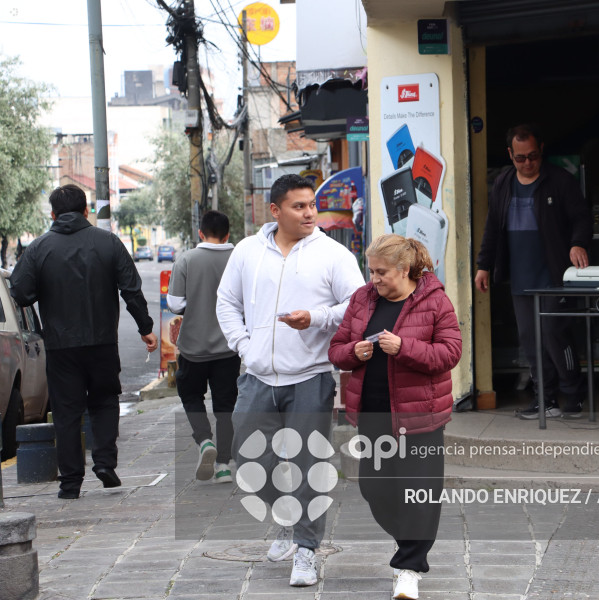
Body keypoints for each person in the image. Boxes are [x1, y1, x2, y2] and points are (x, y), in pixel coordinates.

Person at [216, 173, 364, 587]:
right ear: (275, 210)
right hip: (257, 376)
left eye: (312, 204)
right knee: (247, 460)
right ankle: (288, 516)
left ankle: (306, 551)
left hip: (310, 377)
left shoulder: (332, 254)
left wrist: (316, 318)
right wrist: (245, 347)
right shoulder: (247, 251)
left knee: (308, 464)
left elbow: (357, 304)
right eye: (299, 206)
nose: (309, 213)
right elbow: (226, 302)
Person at [329, 234, 463, 600]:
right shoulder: (362, 299)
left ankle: (409, 568)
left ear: (404, 270)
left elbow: (450, 353)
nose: (373, 279)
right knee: (375, 489)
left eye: (381, 272)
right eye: (371, 271)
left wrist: (404, 347)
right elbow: (336, 350)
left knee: (419, 494)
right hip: (372, 413)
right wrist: (353, 352)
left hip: (421, 415)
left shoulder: (434, 300)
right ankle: (410, 544)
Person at [10, 184, 158, 499]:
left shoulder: (38, 248)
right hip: (102, 341)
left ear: (53, 214)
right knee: (105, 400)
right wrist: (145, 327)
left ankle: (70, 484)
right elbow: (130, 289)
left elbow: (20, 292)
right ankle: (104, 462)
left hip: (60, 346)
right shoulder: (109, 242)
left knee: (66, 412)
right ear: (86, 210)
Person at [474, 123, 593, 419]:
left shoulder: (560, 180)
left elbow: (582, 217)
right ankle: (545, 399)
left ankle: (573, 395)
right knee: (530, 340)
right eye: (520, 158)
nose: (528, 163)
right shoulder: (503, 183)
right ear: (510, 155)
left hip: (554, 275)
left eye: (533, 156)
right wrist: (483, 265)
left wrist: (577, 243)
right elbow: (492, 227)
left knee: (554, 333)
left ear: (541, 151)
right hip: (521, 277)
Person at [167, 210, 240, 484]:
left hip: (193, 348)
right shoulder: (239, 257)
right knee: (226, 405)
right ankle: (223, 466)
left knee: (190, 395)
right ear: (228, 234)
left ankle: (204, 440)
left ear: (200, 233)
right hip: (229, 346)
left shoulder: (186, 259)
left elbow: (175, 304)